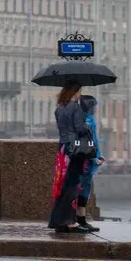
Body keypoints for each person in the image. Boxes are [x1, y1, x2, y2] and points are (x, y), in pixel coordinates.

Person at [48, 81, 91, 233]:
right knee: (73, 185)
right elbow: (80, 129)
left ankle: (58, 221)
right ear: (75, 92)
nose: (80, 94)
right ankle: (70, 222)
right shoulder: (75, 107)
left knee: (62, 185)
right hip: (75, 150)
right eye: (79, 91)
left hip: (63, 149)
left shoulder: (59, 108)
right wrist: (87, 126)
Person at [77, 94, 105, 232]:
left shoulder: (84, 120)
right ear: (89, 107)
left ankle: (81, 220)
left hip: (86, 160)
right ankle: (81, 220)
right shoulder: (87, 122)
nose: (96, 109)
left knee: (83, 190)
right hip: (86, 162)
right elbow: (87, 144)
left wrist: (98, 156)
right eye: (94, 106)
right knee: (83, 191)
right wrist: (95, 158)